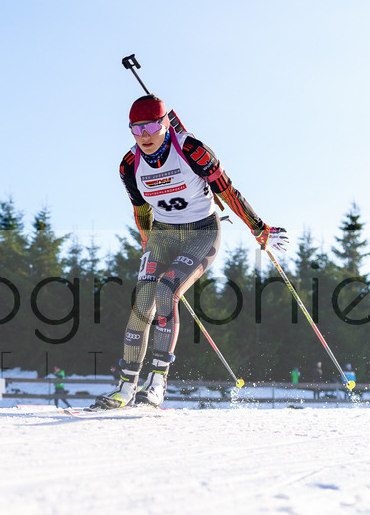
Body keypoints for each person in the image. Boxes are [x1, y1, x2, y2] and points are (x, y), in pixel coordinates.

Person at [92, 95, 289, 409]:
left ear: (166, 122)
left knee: (167, 291)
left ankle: (157, 384)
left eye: (152, 126)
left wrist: (257, 226)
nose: (144, 136)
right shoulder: (129, 165)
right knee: (142, 301)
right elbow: (140, 208)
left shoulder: (192, 150)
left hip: (202, 233)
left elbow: (227, 190)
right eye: (136, 129)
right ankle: (125, 388)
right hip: (163, 235)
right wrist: (146, 239)